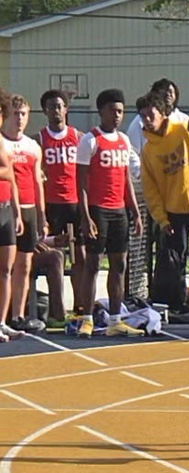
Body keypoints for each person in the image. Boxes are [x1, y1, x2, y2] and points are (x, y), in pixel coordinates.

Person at [74, 88, 144, 338]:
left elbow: (126, 180)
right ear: (101, 111)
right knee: (92, 264)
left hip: (119, 211)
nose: (117, 116)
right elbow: (80, 183)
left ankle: (115, 319)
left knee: (119, 264)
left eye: (121, 111)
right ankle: (86, 318)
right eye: (113, 111)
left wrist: (135, 212)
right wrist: (86, 217)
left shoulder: (124, 140)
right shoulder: (89, 140)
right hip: (97, 209)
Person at [138, 89, 189, 313]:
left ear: (162, 113)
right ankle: (177, 303)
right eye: (144, 116)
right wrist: (162, 219)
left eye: (152, 115)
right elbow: (151, 191)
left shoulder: (184, 131)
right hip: (173, 211)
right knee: (174, 259)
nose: (148, 120)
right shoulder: (148, 150)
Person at [2, 95, 47, 332]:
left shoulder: (32, 146)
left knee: (25, 265)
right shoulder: (1, 142)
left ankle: (18, 315)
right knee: (5, 266)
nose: (19, 119)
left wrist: (42, 216)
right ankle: (4, 315)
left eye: (23, 114)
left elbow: (38, 182)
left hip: (29, 210)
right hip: (7, 209)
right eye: (15, 113)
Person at [38, 89, 83, 325]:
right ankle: (57, 308)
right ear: (45, 110)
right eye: (51, 106)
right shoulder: (40, 139)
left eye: (59, 106)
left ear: (66, 109)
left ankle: (80, 305)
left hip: (74, 203)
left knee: (79, 257)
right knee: (55, 256)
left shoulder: (78, 136)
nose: (55, 110)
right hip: (51, 204)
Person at [0, 88, 26, 342]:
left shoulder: (3, 142)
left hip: (6, 206)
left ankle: (2, 320)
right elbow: (7, 170)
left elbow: (11, 176)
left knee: (7, 268)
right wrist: (6, 170)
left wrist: (17, 212)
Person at [126, 78, 188, 159]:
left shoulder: (184, 120)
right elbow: (132, 152)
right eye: (164, 91)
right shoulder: (140, 120)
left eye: (170, 91)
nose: (168, 94)